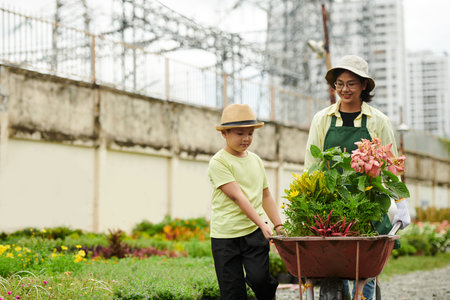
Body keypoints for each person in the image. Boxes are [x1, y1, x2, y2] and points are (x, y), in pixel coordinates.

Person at [304, 55, 411, 300]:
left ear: (364, 85)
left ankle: (365, 296)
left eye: (351, 83)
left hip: (369, 201)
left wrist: (402, 204)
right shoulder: (322, 119)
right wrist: (310, 198)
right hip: (333, 201)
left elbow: (391, 166)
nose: (344, 89)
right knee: (337, 260)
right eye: (339, 83)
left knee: (367, 266)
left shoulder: (378, 121)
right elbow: (312, 164)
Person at [208, 103, 283, 300]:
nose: (246, 138)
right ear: (224, 133)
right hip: (225, 237)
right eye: (240, 133)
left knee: (260, 280)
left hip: (253, 234)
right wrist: (262, 223)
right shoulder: (219, 162)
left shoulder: (256, 160)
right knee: (232, 293)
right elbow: (238, 196)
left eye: (250, 133)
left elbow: (265, 195)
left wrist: (278, 224)